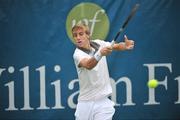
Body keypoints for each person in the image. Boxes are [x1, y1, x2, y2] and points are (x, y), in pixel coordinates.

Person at [72, 23, 134, 120]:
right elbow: (89, 65)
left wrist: (125, 46)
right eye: (75, 35)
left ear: (88, 35)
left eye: (81, 34)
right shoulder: (77, 54)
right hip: (85, 103)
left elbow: (116, 46)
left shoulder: (98, 43)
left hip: (103, 103)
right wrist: (100, 53)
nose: (78, 38)